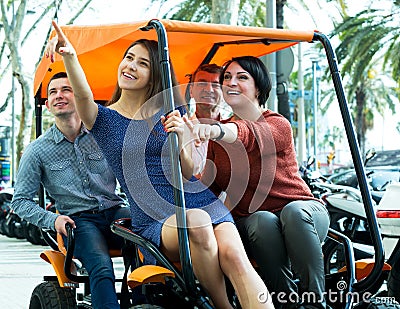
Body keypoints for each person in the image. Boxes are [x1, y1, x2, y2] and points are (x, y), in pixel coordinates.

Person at [45, 21, 274, 309]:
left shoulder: (172, 111)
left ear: (154, 74)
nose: (131, 66)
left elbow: (189, 171)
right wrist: (70, 57)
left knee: (235, 257)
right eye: (129, 58)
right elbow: (82, 95)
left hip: (198, 198)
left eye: (142, 63)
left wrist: (182, 138)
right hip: (154, 215)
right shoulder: (101, 119)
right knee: (197, 223)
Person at [190, 56, 330, 309]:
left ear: (259, 87)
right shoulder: (217, 136)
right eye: (227, 78)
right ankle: (285, 303)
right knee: (262, 220)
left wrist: (218, 130)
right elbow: (207, 190)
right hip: (257, 225)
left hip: (304, 214)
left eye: (242, 77)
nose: (231, 83)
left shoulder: (277, 124)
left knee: (294, 212)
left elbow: (247, 135)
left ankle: (314, 302)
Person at [11, 72, 131, 309]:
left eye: (66, 89)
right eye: (53, 92)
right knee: (100, 265)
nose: (59, 96)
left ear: (81, 96)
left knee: (150, 243)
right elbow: (20, 201)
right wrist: (53, 220)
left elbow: (131, 175)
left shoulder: (104, 136)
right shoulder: (37, 151)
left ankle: (143, 303)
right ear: (47, 105)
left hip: (115, 211)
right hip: (78, 221)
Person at [188, 63, 224, 176]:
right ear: (191, 91)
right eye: (202, 83)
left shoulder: (234, 130)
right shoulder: (180, 130)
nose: (209, 89)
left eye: (216, 85)